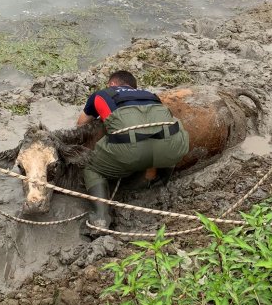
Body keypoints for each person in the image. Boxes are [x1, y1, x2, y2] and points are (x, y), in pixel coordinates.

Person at [76, 70, 189, 232]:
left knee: (91, 168)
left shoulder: (101, 95)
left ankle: (100, 218)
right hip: (173, 149)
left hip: (131, 151)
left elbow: (81, 125)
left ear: (113, 84)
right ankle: (158, 178)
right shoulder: (150, 95)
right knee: (171, 128)